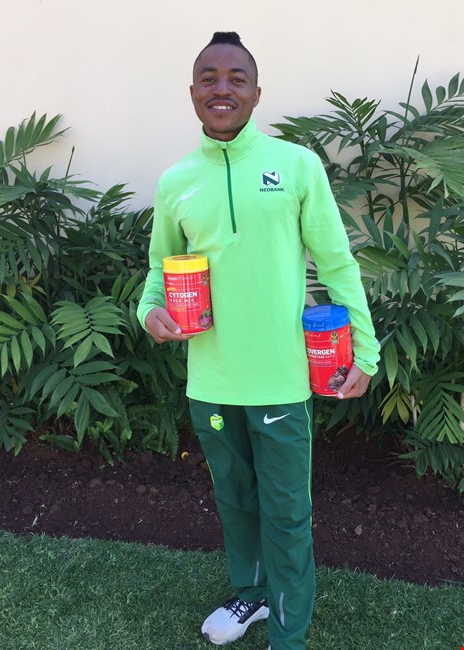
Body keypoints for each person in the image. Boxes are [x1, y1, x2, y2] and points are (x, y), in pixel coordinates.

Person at [137, 31, 380, 650]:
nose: (222, 89)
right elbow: (160, 270)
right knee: (237, 503)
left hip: (281, 379)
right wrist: (149, 311)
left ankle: (288, 636)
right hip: (212, 380)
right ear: (193, 92)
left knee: (287, 514)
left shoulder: (296, 166)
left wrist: (367, 351)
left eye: (236, 78)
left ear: (256, 93)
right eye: (209, 79)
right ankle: (252, 595)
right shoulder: (176, 181)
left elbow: (337, 263)